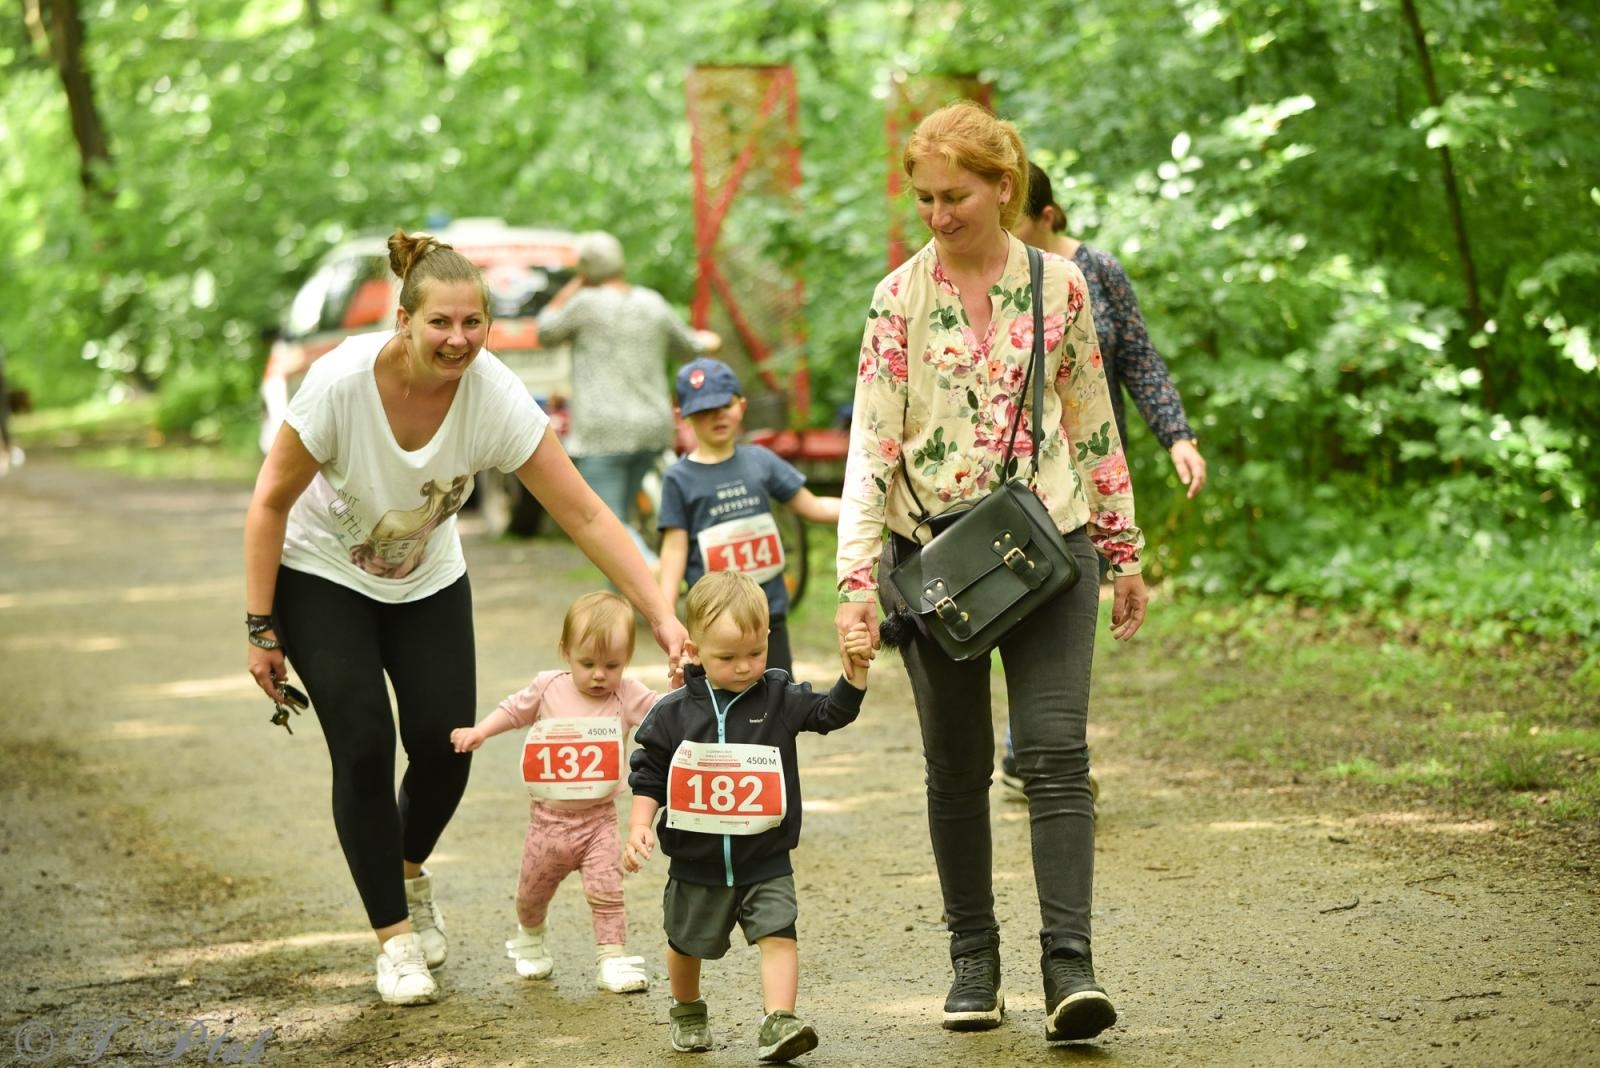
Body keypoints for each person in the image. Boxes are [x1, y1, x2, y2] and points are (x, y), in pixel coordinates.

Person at [244, 229, 687, 1007]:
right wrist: (259, 626)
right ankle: (395, 941)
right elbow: (270, 500)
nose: (457, 340)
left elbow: (583, 511)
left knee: (446, 749)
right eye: (440, 323)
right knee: (364, 743)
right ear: (404, 322)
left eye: (472, 323)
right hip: (320, 575)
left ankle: (408, 873)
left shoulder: (493, 396)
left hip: (427, 580)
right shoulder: (341, 383)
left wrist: (660, 613)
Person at [834, 101, 1148, 1044]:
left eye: (955, 195)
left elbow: (1092, 418)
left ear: (1003, 187)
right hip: (932, 564)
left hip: (1050, 545)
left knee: (1056, 757)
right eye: (924, 197)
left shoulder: (1062, 286)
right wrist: (857, 583)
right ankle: (974, 959)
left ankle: (1071, 970)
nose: (937, 214)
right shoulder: (898, 300)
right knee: (957, 767)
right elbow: (870, 449)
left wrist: (1125, 551)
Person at [998, 159, 1209, 794]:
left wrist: (1177, 435)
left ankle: (1040, 747)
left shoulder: (1098, 271)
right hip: (1021, 480)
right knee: (1021, 601)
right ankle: (1036, 749)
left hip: (1090, 473)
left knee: (1068, 610)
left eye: (1016, 223)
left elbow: (1140, 358)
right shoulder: (990, 277)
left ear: (1048, 217)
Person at [624, 571, 874, 1061]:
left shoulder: (778, 696)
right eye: (727, 658)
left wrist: (854, 675)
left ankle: (778, 1020)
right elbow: (648, 773)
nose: (744, 668)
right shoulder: (673, 712)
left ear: (768, 641)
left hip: (765, 855)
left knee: (779, 933)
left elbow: (830, 713)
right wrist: (638, 826)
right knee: (685, 941)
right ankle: (688, 1008)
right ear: (694, 650)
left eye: (755, 654)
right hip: (696, 861)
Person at [448, 591, 659, 994]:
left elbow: (667, 714)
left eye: (612, 665)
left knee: (607, 891)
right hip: (548, 823)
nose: (599, 674)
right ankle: (529, 936)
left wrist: (683, 685)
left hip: (599, 821)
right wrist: (480, 731)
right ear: (566, 652)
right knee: (531, 893)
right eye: (588, 663)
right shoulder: (548, 688)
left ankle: (611, 958)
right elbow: (513, 711)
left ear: (627, 659)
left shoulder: (627, 694)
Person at [535, 230, 720, 563]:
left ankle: (656, 576)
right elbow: (691, 345)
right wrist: (707, 340)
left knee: (609, 527)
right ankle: (645, 603)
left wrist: (575, 284)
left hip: (603, 434)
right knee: (622, 520)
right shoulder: (652, 302)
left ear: (587, 269)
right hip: (652, 427)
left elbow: (545, 330)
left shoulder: (584, 304)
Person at [657, 357, 841, 677]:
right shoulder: (678, 478)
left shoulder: (761, 461)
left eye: (723, 405)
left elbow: (812, 507)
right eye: (703, 410)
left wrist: (872, 510)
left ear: (741, 405)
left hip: (768, 618)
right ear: (682, 417)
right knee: (712, 716)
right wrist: (666, 612)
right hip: (711, 624)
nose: (716, 416)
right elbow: (675, 548)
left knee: (777, 704)